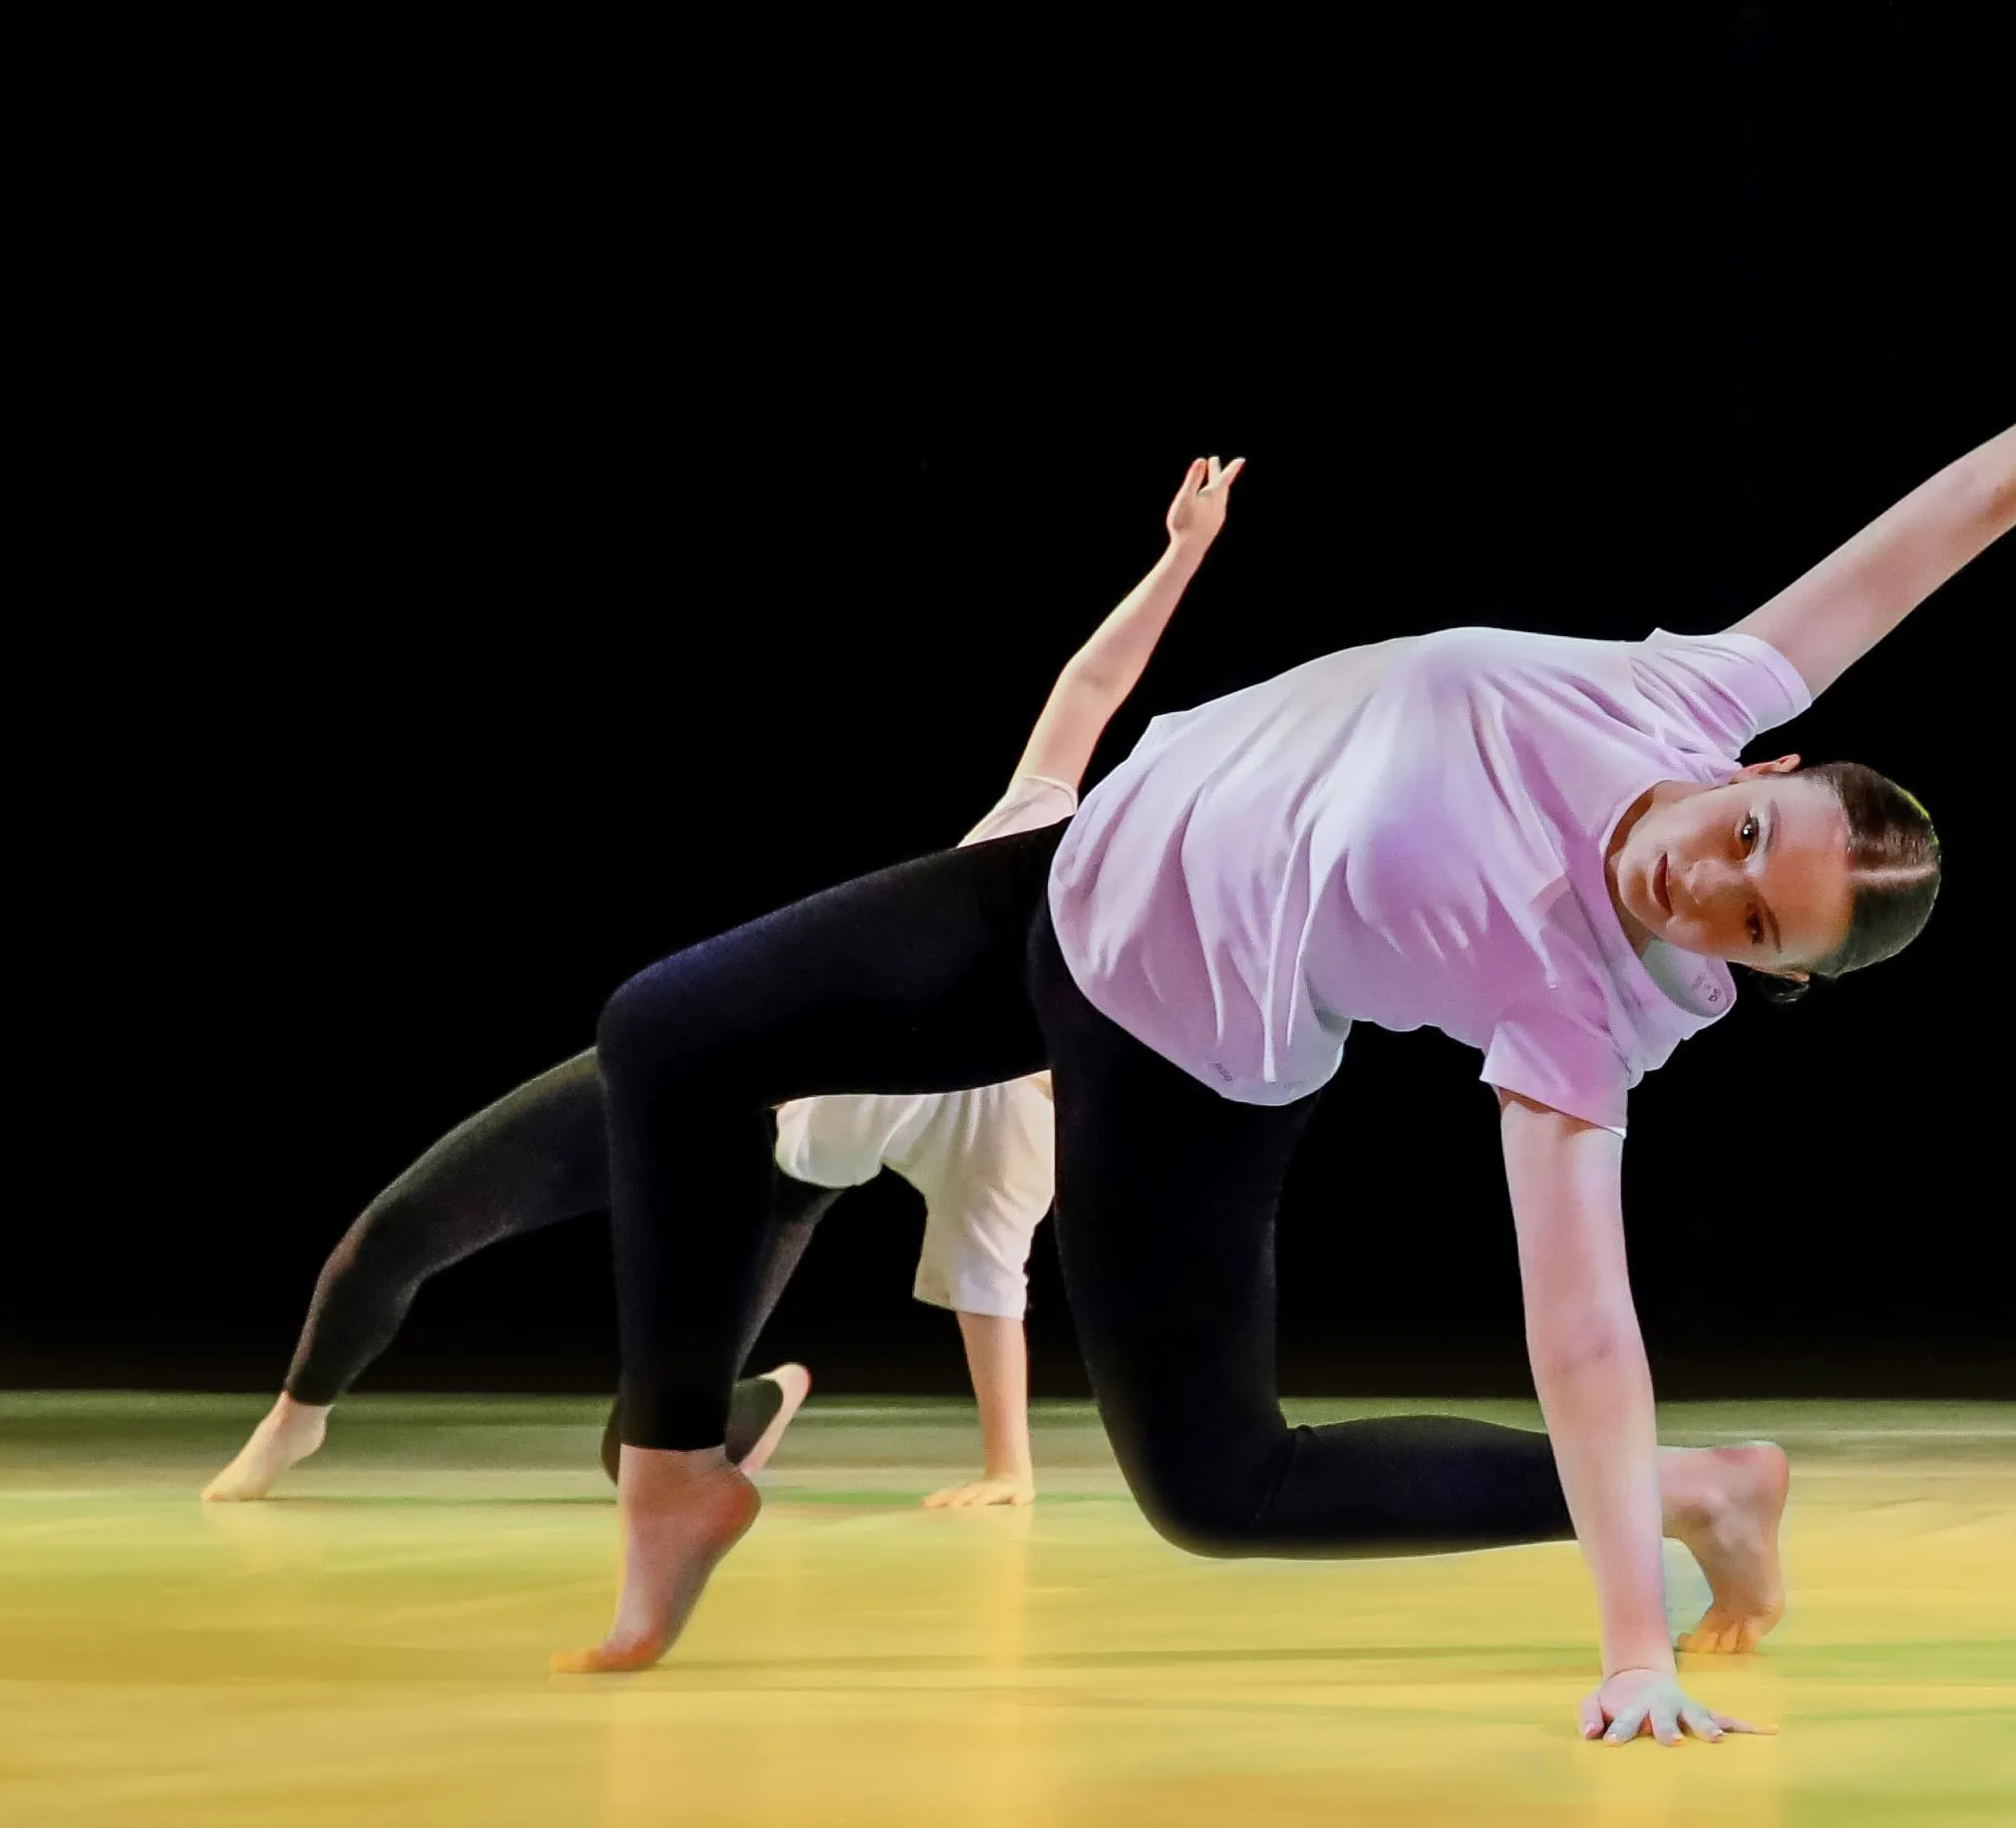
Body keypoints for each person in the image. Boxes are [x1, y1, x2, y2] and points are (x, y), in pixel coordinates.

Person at [560, 97, 2016, 1744]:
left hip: (1178, 1061)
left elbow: (1581, 1328)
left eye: (1750, 925)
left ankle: (1692, 1490)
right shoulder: (1688, 693)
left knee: (1218, 1490)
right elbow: (1968, 510)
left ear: (1755, 972)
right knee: (669, 1031)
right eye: (1746, 835)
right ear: (1762, 765)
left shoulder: (1583, 1011)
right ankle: (676, 1479)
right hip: (1067, 882)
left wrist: (1633, 1644)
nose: (1703, 884)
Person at [201, 457, 1247, 1508]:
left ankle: (766, 1395)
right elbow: (1090, 689)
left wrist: (1007, 1468)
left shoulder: (1012, 1123)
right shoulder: (1034, 844)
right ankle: (296, 1418)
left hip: (776, 1180)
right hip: (699, 1057)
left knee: (642, 1453)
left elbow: (992, 1293)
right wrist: (1181, 555)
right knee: (399, 1230)